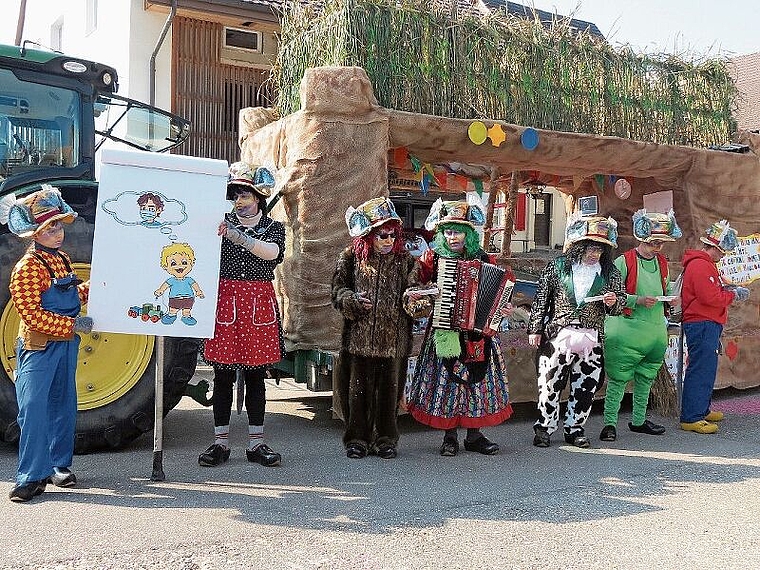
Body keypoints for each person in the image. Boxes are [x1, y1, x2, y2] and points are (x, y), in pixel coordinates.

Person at [404, 199, 513, 457]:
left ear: (469, 233)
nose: (453, 237)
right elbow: (415, 291)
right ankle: (449, 436)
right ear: (441, 233)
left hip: (477, 334)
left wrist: (503, 308)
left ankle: (474, 436)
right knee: (449, 381)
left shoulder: (483, 258)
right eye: (448, 231)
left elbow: (498, 292)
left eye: (458, 231)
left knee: (476, 381)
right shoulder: (432, 259)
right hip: (445, 329)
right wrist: (424, 296)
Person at [6, 185, 92, 502]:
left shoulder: (62, 260)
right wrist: (74, 323)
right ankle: (30, 476)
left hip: (66, 344)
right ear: (34, 233)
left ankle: (59, 467)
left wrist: (96, 285)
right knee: (32, 410)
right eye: (49, 228)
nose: (57, 233)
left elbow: (71, 295)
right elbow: (32, 315)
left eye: (58, 225)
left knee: (63, 405)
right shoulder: (26, 269)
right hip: (39, 346)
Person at [198, 161, 285, 467]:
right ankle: (220, 443)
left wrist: (240, 238)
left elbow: (273, 253)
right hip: (225, 300)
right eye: (235, 195)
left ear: (258, 198)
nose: (238, 201)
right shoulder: (218, 222)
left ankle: (257, 443)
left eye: (245, 195)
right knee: (221, 377)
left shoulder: (275, 228)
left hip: (258, 300)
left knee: (255, 377)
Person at [528, 212, 625, 448]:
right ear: (578, 246)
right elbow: (541, 299)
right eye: (590, 248)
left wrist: (614, 302)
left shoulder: (610, 272)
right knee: (550, 383)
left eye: (600, 250)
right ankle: (544, 427)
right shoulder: (558, 266)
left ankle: (574, 428)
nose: (594, 254)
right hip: (558, 334)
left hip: (591, 338)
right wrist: (534, 328)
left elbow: (620, 305)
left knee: (586, 386)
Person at [331, 197, 415, 459]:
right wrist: (352, 301)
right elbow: (337, 290)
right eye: (382, 235)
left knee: (389, 395)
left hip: (394, 342)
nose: (388, 240)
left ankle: (386, 439)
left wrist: (418, 300)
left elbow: (417, 293)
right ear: (369, 235)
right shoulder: (350, 258)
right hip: (358, 341)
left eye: (392, 235)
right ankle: (356, 439)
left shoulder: (406, 261)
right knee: (357, 393)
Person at [601, 209, 682, 442]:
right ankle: (609, 424)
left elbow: (664, 290)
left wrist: (671, 298)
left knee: (646, 377)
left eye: (661, 243)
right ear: (643, 238)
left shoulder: (662, 263)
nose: (658, 247)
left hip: (655, 330)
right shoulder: (623, 261)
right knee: (618, 379)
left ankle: (638, 420)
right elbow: (610, 294)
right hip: (627, 329)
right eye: (654, 242)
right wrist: (637, 300)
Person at [679, 220, 749, 434]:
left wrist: (726, 289)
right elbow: (709, 297)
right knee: (700, 369)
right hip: (701, 322)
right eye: (722, 251)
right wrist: (732, 295)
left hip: (707, 323)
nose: (723, 256)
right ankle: (691, 416)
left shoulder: (706, 265)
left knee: (706, 368)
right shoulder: (700, 265)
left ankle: (701, 409)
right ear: (713, 247)